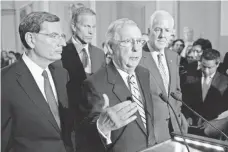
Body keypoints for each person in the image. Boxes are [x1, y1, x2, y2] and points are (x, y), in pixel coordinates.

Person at [78, 18, 156, 152]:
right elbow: (86, 141)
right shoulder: (94, 84)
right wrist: (102, 128)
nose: (136, 48)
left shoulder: (144, 74)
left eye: (139, 41)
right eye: (127, 42)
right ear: (109, 47)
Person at [1, 12, 73, 152]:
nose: (63, 43)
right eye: (53, 36)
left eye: (62, 36)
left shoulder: (62, 74)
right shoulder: (4, 81)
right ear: (31, 39)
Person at [140, 10, 188, 143]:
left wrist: (178, 117)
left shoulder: (173, 56)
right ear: (149, 30)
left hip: (175, 130)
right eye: (158, 29)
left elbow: (176, 91)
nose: (162, 35)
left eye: (167, 30)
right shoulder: (137, 57)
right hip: (150, 134)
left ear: (172, 32)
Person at [61, 6, 105, 150]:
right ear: (74, 26)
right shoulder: (60, 54)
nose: (91, 31)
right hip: (71, 127)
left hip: (96, 124)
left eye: (93, 26)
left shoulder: (99, 54)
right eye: (86, 26)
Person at [182, 49, 228, 138]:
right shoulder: (189, 77)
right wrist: (187, 116)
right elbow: (185, 101)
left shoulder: (225, 82)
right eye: (203, 66)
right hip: (191, 129)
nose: (206, 71)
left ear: (217, 64)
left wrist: (216, 121)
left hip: (214, 131)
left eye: (210, 68)